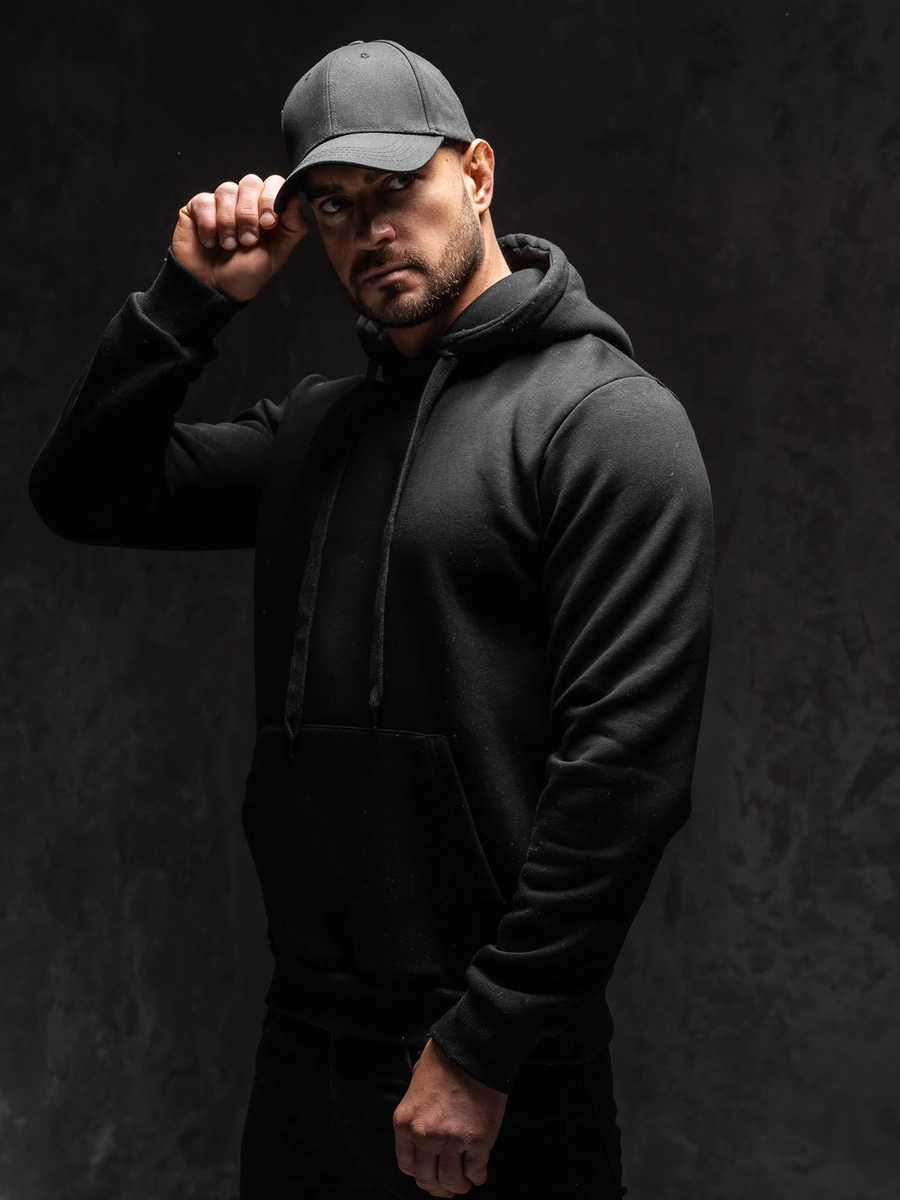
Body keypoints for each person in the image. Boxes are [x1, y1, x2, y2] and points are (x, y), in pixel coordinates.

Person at [28, 38, 714, 1200]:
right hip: (305, 1047)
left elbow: (626, 774)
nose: (371, 228)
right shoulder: (315, 433)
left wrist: (485, 1044)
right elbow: (82, 493)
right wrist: (186, 303)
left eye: (397, 186)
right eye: (335, 206)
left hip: (493, 1064)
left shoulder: (607, 424)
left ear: (478, 174)